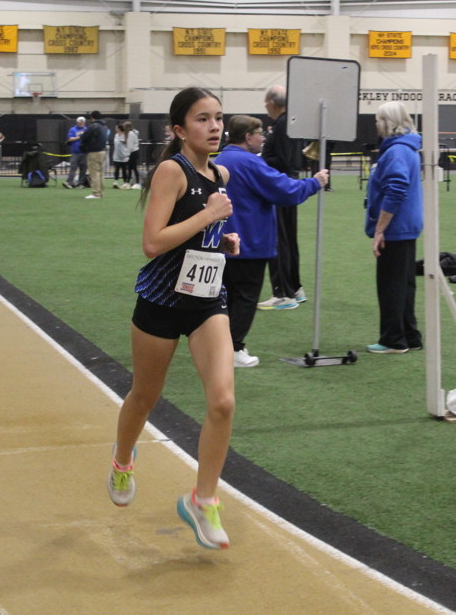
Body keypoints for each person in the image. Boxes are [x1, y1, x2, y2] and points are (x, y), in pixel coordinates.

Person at [107, 87, 239, 551]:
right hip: (161, 301)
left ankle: (203, 501)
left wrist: (222, 238)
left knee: (223, 402)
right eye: (203, 119)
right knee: (145, 395)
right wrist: (209, 217)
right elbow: (153, 242)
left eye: (218, 117)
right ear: (180, 129)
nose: (215, 126)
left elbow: (202, 231)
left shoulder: (220, 173)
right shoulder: (171, 171)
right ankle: (123, 461)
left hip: (207, 301)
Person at [216, 115, 328, 367]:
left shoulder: (221, 159)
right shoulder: (249, 162)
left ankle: (220, 348)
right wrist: (315, 182)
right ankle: (233, 349)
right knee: (245, 297)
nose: (264, 138)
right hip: (249, 241)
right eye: (260, 133)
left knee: (227, 298)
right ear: (248, 137)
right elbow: (285, 191)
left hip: (223, 241)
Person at [364, 101, 423, 354]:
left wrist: (380, 229)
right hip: (407, 225)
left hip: (396, 228)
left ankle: (393, 339)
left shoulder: (396, 152)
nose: (376, 124)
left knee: (391, 285)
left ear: (388, 122)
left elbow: (396, 189)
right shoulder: (408, 148)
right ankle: (410, 335)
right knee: (405, 284)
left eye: (378, 119)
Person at [255, 85, 307, 310]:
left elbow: (284, 161)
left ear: (273, 103)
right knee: (288, 239)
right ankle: (294, 288)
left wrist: (259, 160)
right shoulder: (290, 123)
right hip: (287, 186)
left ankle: (283, 293)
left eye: (266, 102)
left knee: (279, 240)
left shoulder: (283, 124)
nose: (265, 106)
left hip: (280, 187)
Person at [81, 110, 108, 200]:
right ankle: (101, 192)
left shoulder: (93, 126)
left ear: (92, 117)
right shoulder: (104, 126)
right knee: (100, 174)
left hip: (94, 152)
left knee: (94, 173)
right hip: (103, 151)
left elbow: (84, 137)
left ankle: (96, 193)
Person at [64, 116, 87, 189]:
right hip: (75, 152)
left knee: (83, 169)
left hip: (84, 152)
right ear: (77, 122)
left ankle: (80, 184)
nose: (81, 123)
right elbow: (70, 139)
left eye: (82, 122)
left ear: (84, 123)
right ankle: (69, 182)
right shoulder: (73, 129)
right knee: (73, 168)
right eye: (79, 122)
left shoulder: (86, 129)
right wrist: (79, 137)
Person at [124, 121, 141, 189]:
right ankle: (128, 182)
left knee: (133, 168)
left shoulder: (130, 133)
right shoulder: (134, 132)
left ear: (128, 127)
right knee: (130, 168)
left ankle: (137, 183)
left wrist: (127, 154)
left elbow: (130, 145)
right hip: (135, 151)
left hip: (133, 152)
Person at [111, 123, 129, 189]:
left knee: (124, 169)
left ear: (119, 128)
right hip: (116, 155)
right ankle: (115, 182)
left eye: (116, 128)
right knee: (117, 169)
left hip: (124, 155)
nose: (115, 129)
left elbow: (127, 143)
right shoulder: (116, 135)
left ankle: (125, 182)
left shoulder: (125, 135)